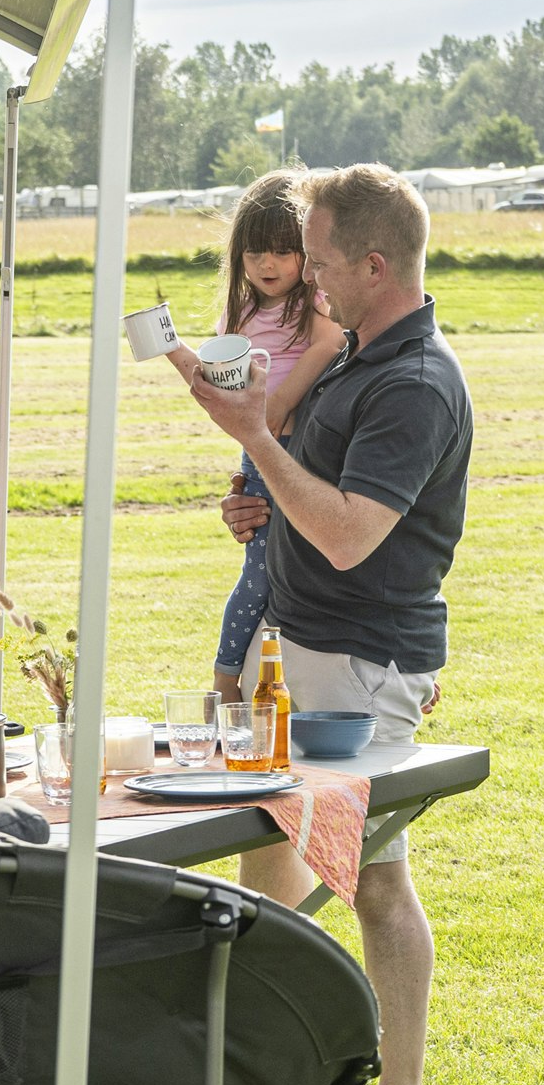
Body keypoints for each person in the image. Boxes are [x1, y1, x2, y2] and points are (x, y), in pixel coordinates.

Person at [170, 163, 472, 1085]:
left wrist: (256, 440)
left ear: (374, 266)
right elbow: (308, 494)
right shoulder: (354, 358)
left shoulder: (413, 385)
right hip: (301, 649)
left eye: (322, 260)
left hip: (358, 667)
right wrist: (252, 502)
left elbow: (347, 535)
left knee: (342, 879)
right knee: (299, 872)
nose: (307, 276)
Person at [200, 171, 347, 701]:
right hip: (262, 452)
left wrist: (277, 408)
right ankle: (226, 675)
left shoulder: (316, 303)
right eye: (255, 252)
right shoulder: (237, 314)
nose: (268, 264)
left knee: (300, 565)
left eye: (283, 251)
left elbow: (328, 344)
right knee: (260, 569)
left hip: (298, 449)